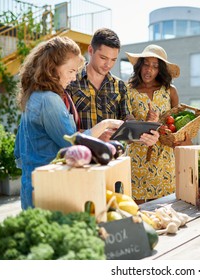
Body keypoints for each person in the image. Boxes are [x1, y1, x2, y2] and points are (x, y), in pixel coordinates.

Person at [14, 36, 123, 210]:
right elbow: (71, 142)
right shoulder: (49, 100)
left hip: (32, 186)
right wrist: (106, 124)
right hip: (50, 189)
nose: (74, 78)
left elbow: (19, 152)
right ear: (52, 69)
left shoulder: (35, 96)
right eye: (71, 71)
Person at [66, 28, 160, 145]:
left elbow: (127, 123)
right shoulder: (70, 81)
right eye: (103, 58)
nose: (108, 65)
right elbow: (63, 130)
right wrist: (94, 134)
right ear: (91, 50)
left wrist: (145, 134)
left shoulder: (120, 86)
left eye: (113, 60)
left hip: (112, 158)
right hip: (80, 156)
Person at [124, 44, 191, 204]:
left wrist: (179, 138)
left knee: (165, 214)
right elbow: (127, 127)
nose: (149, 70)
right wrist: (146, 124)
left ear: (160, 70)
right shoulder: (128, 91)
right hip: (137, 162)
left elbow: (175, 124)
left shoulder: (170, 91)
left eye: (155, 66)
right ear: (140, 65)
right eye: (146, 64)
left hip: (164, 162)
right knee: (138, 214)